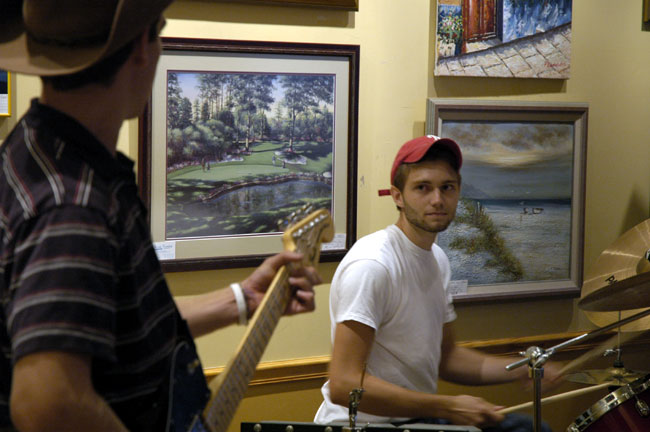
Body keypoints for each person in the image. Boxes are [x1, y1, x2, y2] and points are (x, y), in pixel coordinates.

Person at [0, 1, 320, 431]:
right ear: (141, 47)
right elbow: (47, 400)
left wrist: (241, 298)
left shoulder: (38, 151)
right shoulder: (73, 206)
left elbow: (113, 331)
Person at [314, 135, 559, 431]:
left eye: (447, 187)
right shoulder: (373, 265)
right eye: (422, 187)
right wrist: (449, 406)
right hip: (359, 424)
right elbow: (344, 384)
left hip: (418, 419)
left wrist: (523, 369)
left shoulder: (437, 259)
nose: (437, 199)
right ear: (397, 196)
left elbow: (448, 357)